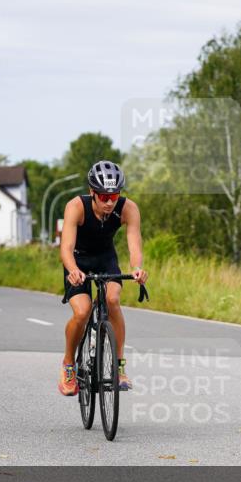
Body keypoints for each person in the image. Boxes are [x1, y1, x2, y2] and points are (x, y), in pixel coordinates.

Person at [58, 160, 147, 396]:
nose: (109, 202)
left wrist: (137, 268)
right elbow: (66, 247)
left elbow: (134, 244)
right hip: (77, 261)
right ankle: (68, 363)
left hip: (106, 258)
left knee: (113, 299)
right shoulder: (76, 207)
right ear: (92, 193)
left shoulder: (129, 208)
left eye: (114, 196)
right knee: (82, 310)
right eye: (103, 196)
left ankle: (119, 367)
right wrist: (73, 270)